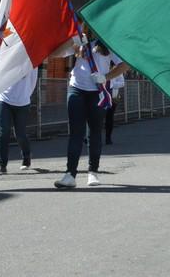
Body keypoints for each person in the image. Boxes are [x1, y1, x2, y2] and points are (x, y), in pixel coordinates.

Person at [54, 38, 130, 189]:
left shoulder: (106, 40)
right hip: (76, 89)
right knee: (76, 132)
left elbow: (124, 65)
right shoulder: (79, 38)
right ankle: (70, 174)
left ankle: (93, 172)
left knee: (94, 132)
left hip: (97, 91)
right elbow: (56, 54)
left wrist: (105, 77)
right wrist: (71, 42)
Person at [0, 68, 37, 175]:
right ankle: (2, 165)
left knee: (20, 134)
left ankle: (26, 157)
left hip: (22, 102)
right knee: (3, 132)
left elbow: (33, 81)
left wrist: (25, 96)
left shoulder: (31, 60)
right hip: (4, 99)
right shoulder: (8, 54)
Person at [105, 71, 125, 144]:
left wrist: (111, 84)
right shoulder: (100, 66)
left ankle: (108, 138)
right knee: (97, 117)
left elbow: (122, 83)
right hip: (99, 96)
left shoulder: (117, 69)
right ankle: (91, 137)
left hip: (112, 97)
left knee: (109, 118)